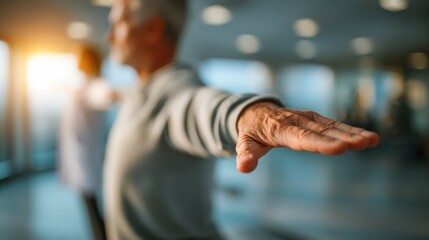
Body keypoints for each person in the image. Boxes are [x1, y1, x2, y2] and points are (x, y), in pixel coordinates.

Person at [103, 0, 379, 239]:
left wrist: (247, 114)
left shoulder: (174, 92)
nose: (108, 36)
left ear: (153, 29)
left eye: (117, 23)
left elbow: (201, 108)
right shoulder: (141, 91)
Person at [58, 44, 116, 240]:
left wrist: (112, 95)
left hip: (85, 155)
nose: (77, 62)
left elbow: (101, 94)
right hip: (81, 153)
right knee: (90, 205)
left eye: (80, 58)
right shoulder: (84, 83)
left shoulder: (95, 85)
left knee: (92, 207)